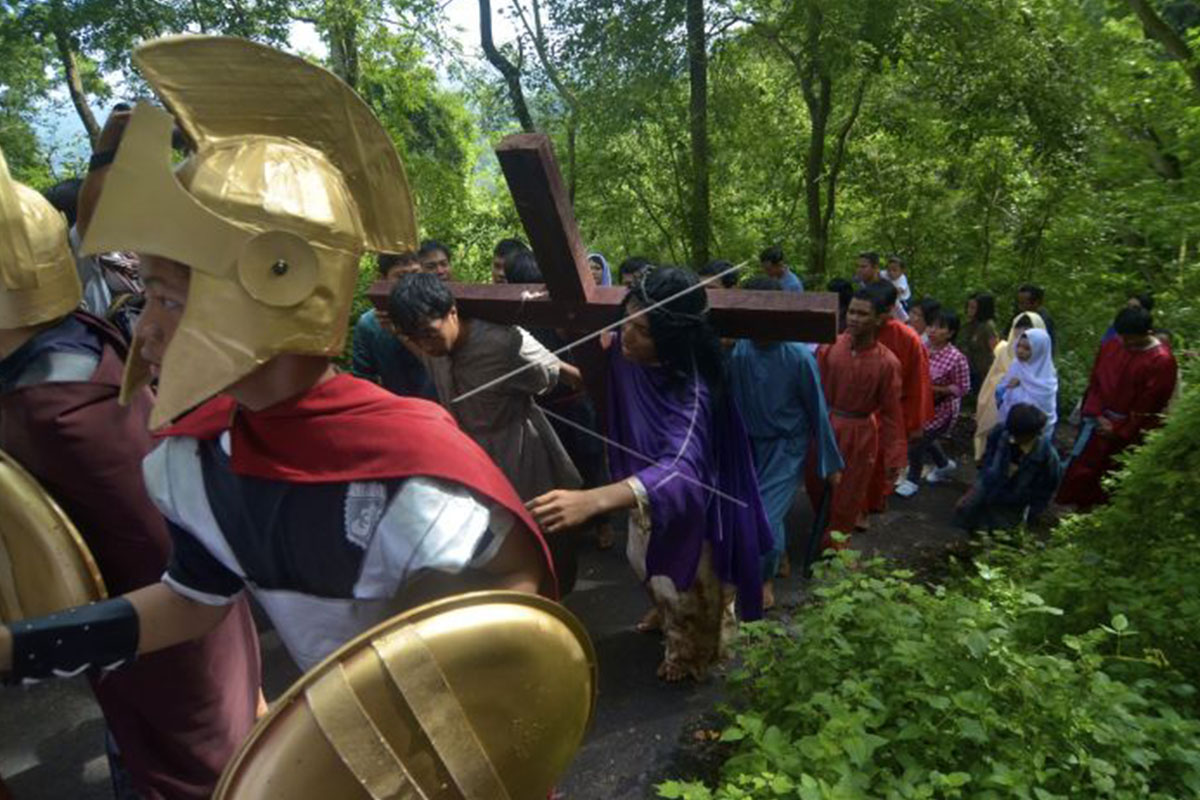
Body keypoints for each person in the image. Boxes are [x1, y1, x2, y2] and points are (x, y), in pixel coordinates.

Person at [0, 37, 554, 687]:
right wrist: (19, 649)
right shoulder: (202, 460)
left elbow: (512, 614)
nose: (145, 330)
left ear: (272, 285)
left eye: (171, 300)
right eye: (148, 296)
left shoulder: (409, 469)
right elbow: (191, 598)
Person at [0, 143, 261, 800]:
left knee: (204, 769)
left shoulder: (52, 409)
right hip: (148, 622)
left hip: (164, 631)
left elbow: (163, 560)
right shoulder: (66, 347)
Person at [528, 267, 773, 682]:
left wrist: (593, 499)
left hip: (693, 507)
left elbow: (682, 467)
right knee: (643, 562)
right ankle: (666, 614)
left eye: (641, 329)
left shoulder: (692, 392)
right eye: (625, 322)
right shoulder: (626, 354)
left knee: (693, 592)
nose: (627, 336)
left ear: (672, 337)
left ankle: (690, 656)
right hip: (641, 491)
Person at [389, 271, 583, 513]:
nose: (425, 346)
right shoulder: (430, 345)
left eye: (430, 334)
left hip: (517, 451)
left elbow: (555, 372)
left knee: (536, 520)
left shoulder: (504, 344)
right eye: (415, 339)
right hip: (468, 454)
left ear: (452, 312)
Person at [728, 277, 843, 609]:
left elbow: (817, 410)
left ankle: (763, 580)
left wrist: (830, 462)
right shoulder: (740, 351)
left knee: (763, 514)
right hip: (748, 443)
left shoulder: (797, 356)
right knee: (748, 510)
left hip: (785, 447)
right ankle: (770, 563)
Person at [1057, 306, 1177, 510]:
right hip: (1099, 421)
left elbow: (1150, 405)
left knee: (1112, 479)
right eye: (1123, 337)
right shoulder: (1113, 345)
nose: (1126, 343)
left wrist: (1119, 429)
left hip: (1127, 431)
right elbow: (1096, 381)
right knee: (1084, 471)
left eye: (1131, 339)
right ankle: (1078, 511)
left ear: (1148, 333)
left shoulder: (1161, 361)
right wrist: (1096, 414)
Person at [813, 288, 906, 539]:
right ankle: (823, 529)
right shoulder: (829, 347)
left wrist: (895, 457)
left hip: (860, 433)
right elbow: (814, 390)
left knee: (849, 491)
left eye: (862, 314)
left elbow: (892, 414)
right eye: (851, 311)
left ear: (879, 319)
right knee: (816, 484)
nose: (853, 318)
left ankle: (836, 546)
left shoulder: (888, 363)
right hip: (826, 425)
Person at [865, 281, 934, 514]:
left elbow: (919, 383)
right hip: (857, 411)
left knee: (883, 464)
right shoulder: (854, 330)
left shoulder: (908, 338)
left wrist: (916, 424)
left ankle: (871, 505)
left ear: (889, 309)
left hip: (893, 413)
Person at [954, 403, 1063, 533]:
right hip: (989, 485)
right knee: (966, 513)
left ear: (1034, 433)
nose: (1013, 439)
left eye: (1018, 436)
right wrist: (974, 490)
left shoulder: (1047, 457)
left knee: (999, 532)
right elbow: (989, 458)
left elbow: (1046, 489)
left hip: (1013, 501)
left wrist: (1033, 513)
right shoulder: (1001, 432)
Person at [896, 309, 970, 497]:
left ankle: (912, 480)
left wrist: (937, 390)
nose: (933, 330)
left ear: (951, 333)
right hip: (917, 404)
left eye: (940, 327)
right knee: (925, 439)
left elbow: (963, 388)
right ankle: (944, 464)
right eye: (931, 325)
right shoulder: (920, 346)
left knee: (917, 441)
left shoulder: (956, 358)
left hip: (940, 411)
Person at [351, 250, 437, 400]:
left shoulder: (438, 315)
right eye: (401, 276)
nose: (410, 282)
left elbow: (444, 367)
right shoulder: (369, 325)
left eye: (416, 273)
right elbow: (362, 380)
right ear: (383, 279)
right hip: (394, 411)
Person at [973, 312, 1046, 462]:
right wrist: (1005, 383)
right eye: (1017, 332)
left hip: (1026, 424)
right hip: (999, 408)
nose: (1020, 349)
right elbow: (993, 377)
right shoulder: (1003, 351)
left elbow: (1046, 403)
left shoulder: (1043, 367)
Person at [995, 328, 1058, 437]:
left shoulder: (1047, 379)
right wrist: (1006, 387)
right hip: (1009, 423)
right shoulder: (1016, 365)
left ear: (1039, 350)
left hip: (1033, 432)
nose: (1020, 351)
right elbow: (1001, 392)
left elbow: (1043, 409)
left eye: (1027, 348)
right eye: (1019, 346)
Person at [961, 292, 998, 391]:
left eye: (973, 308)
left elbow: (995, 350)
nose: (969, 310)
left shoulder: (988, 327)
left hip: (983, 374)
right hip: (970, 370)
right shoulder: (969, 325)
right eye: (968, 307)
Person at [1016, 283, 1055, 348]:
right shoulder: (1020, 316)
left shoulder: (1043, 320)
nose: (1020, 307)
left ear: (1035, 303)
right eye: (1019, 303)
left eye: (1023, 303)